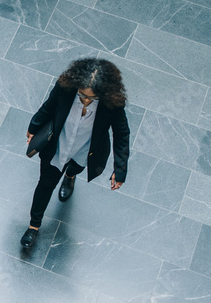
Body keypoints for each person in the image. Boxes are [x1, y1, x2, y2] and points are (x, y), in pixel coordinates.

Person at [21, 58, 131, 249]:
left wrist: (120, 169)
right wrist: (33, 127)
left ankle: (70, 176)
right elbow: (48, 107)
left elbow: (121, 134)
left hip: (86, 151)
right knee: (45, 184)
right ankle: (34, 225)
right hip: (58, 147)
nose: (86, 100)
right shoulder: (65, 88)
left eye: (92, 98)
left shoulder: (112, 105)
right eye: (82, 95)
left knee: (76, 167)